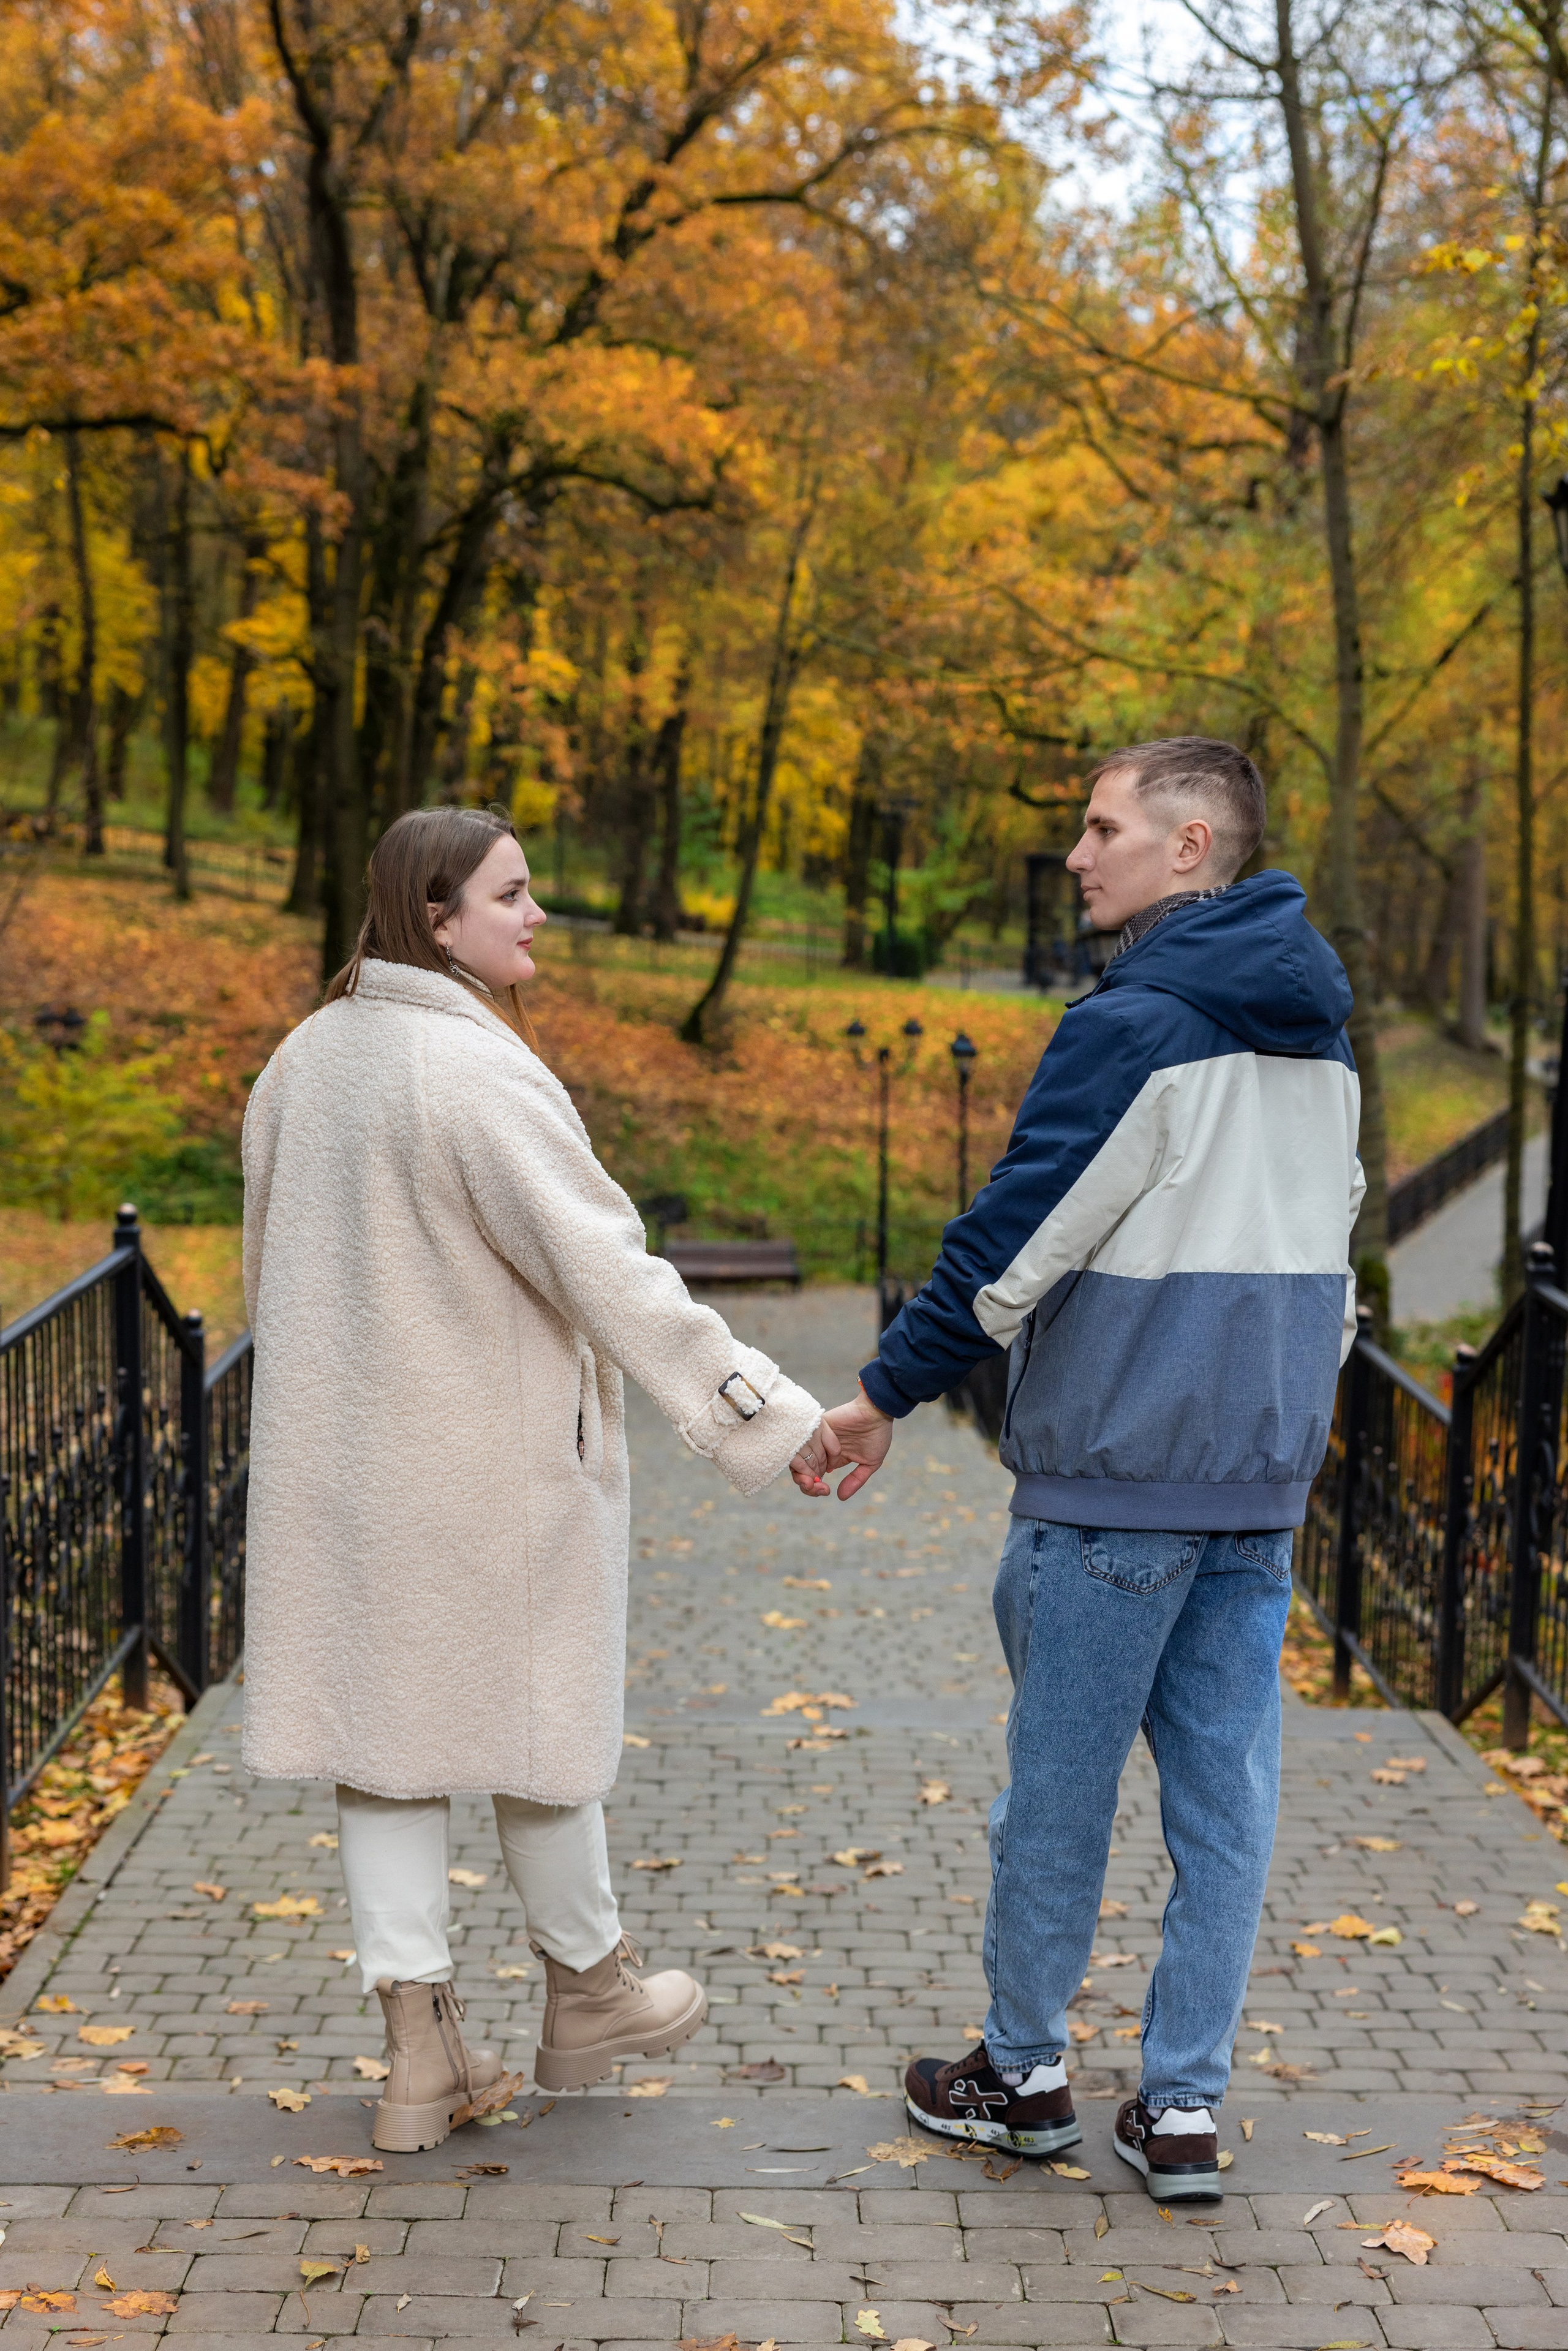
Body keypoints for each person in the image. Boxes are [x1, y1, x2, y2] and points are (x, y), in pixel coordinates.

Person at [241, 805, 835, 2153]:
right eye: (510, 894)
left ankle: (418, 2047)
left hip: (342, 1476)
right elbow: (608, 1273)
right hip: (486, 1471)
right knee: (536, 1717)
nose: (538, 913)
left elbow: (266, 1267)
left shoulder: (302, 1062)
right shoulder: (477, 1074)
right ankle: (592, 1986)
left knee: (381, 1750)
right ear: (432, 916)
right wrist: (764, 1413)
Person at [822, 739, 1363, 2201]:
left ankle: (1024, 2072)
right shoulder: (1319, 1035)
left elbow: (1015, 1238)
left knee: (1054, 1798)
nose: (1076, 852)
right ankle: (1180, 2107)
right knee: (1224, 1808)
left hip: (1116, 1476)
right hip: (1254, 1483)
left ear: (1189, 846)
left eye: (1100, 825)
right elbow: (1337, 1256)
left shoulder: (1137, 1025)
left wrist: (884, 1388)